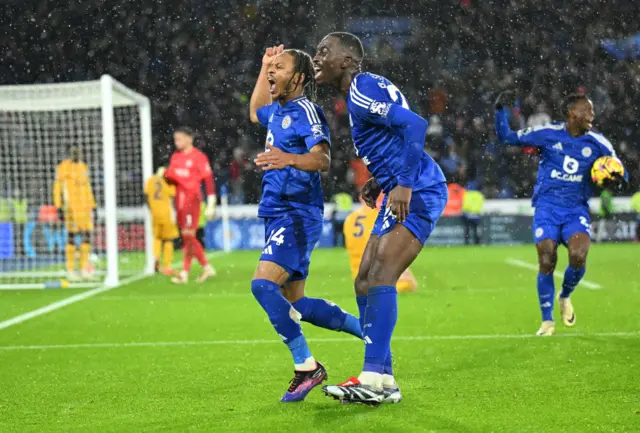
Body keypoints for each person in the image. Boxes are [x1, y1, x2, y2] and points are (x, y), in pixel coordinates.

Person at [314, 32, 447, 404]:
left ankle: (372, 377)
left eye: (324, 51)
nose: (316, 57)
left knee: (384, 274)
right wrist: (382, 179)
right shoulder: (365, 89)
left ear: (346, 60)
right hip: (399, 187)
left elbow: (416, 125)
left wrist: (402, 183)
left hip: (418, 188)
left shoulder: (360, 88)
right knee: (364, 280)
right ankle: (384, 381)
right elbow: (394, 136)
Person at [249, 45, 362, 403]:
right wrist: (264, 65)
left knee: (262, 287)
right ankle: (369, 332)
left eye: (279, 68)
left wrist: (288, 159)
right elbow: (254, 113)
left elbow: (322, 159)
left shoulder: (305, 110)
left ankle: (306, 367)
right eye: (271, 68)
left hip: (296, 212)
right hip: (276, 211)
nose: (271, 74)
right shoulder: (277, 110)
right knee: (295, 304)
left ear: (298, 78)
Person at [495, 92, 628, 336]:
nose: (592, 116)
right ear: (572, 114)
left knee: (578, 256)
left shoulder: (598, 143)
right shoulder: (548, 133)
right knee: (547, 257)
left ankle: (564, 295)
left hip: (575, 209)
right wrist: (500, 110)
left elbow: (620, 172)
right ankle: (547, 321)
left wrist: (615, 179)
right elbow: (507, 138)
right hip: (547, 208)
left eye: (592, 111)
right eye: (587, 111)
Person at [164, 127, 217, 284]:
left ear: (189, 138)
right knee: (187, 238)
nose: (176, 142)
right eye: (175, 139)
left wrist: (212, 201)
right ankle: (185, 273)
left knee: (188, 236)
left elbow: (208, 178)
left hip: (191, 200)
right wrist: (167, 175)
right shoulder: (175, 157)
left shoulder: (198, 157)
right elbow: (172, 177)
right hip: (179, 200)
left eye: (179, 139)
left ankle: (207, 267)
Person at [344, 195, 418, 292]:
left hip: (359, 276)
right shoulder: (380, 216)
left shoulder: (350, 218)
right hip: (378, 275)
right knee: (409, 284)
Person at [53, 146, 96, 281]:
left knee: (87, 235)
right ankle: (70, 270)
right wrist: (58, 205)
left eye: (79, 152)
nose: (77, 154)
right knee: (71, 236)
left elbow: (87, 187)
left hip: (85, 208)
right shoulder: (63, 167)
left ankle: (83, 269)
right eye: (74, 153)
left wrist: (93, 205)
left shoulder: (83, 167)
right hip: (71, 208)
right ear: (70, 155)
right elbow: (57, 187)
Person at [144, 167, 178, 275]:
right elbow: (173, 195)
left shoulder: (150, 180)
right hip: (166, 214)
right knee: (168, 240)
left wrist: (152, 209)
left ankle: (156, 258)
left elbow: (145, 196)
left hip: (154, 214)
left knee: (157, 238)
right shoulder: (168, 182)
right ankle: (167, 266)